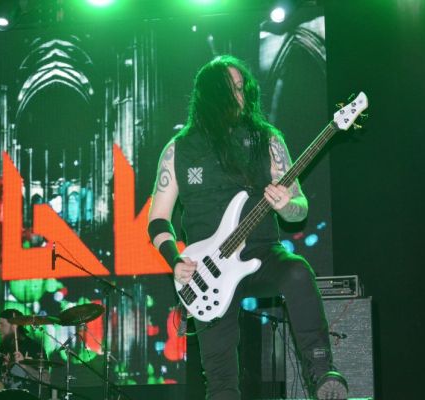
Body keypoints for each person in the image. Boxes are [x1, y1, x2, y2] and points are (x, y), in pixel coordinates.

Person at [147, 55, 348, 400]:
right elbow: (158, 219)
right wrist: (174, 260)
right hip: (207, 271)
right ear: (211, 95)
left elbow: (298, 210)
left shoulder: (267, 140)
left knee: (297, 271)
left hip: (261, 253)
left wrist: (286, 205)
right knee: (221, 383)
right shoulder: (178, 149)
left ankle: (321, 373)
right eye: (231, 89)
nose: (240, 95)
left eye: (242, 88)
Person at [0, 308, 50, 393]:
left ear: (14, 326)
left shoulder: (34, 347)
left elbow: (45, 380)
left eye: (1, 324)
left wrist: (24, 366)